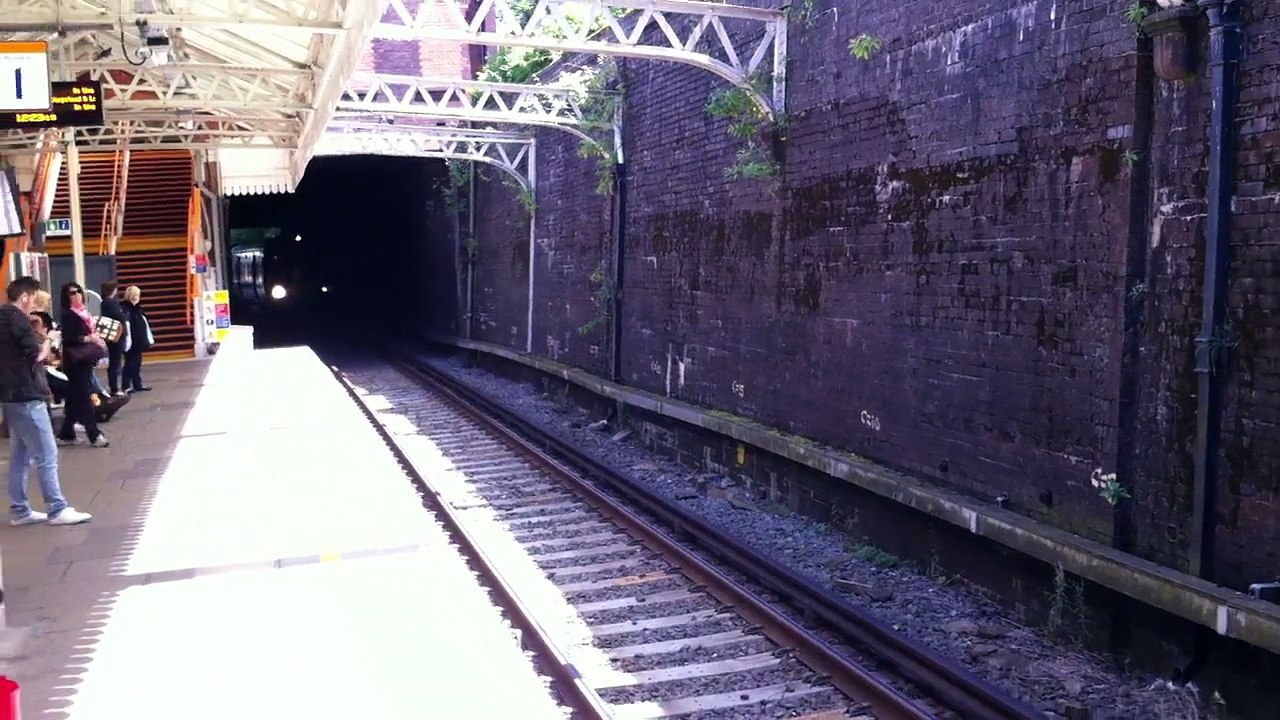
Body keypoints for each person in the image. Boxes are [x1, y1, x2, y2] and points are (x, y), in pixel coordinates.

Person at [0, 276, 91, 526]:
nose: (34, 305)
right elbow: (37, 355)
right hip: (28, 395)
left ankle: (19, 509)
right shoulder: (17, 319)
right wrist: (50, 338)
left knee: (21, 455)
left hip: (9, 396)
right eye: (34, 299)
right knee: (47, 453)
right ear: (25, 297)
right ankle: (56, 507)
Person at [56, 282, 109, 447]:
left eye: (78, 291)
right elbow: (70, 337)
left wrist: (96, 338)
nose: (76, 295)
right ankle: (94, 434)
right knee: (84, 397)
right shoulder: (69, 315)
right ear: (66, 297)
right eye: (72, 293)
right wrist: (90, 339)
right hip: (75, 361)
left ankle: (66, 433)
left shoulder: (84, 313)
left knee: (74, 398)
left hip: (85, 360)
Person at [99, 279, 129, 396]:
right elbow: (119, 316)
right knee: (115, 362)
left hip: (114, 334)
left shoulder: (106, 302)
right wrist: (124, 315)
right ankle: (114, 388)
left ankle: (114, 386)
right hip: (116, 334)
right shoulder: (110, 302)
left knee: (115, 361)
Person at [121, 285, 153, 393]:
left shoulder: (138, 308)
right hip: (130, 340)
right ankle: (126, 385)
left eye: (137, 295)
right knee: (130, 363)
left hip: (138, 340)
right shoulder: (125, 309)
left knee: (137, 363)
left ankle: (137, 384)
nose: (136, 297)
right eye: (134, 295)